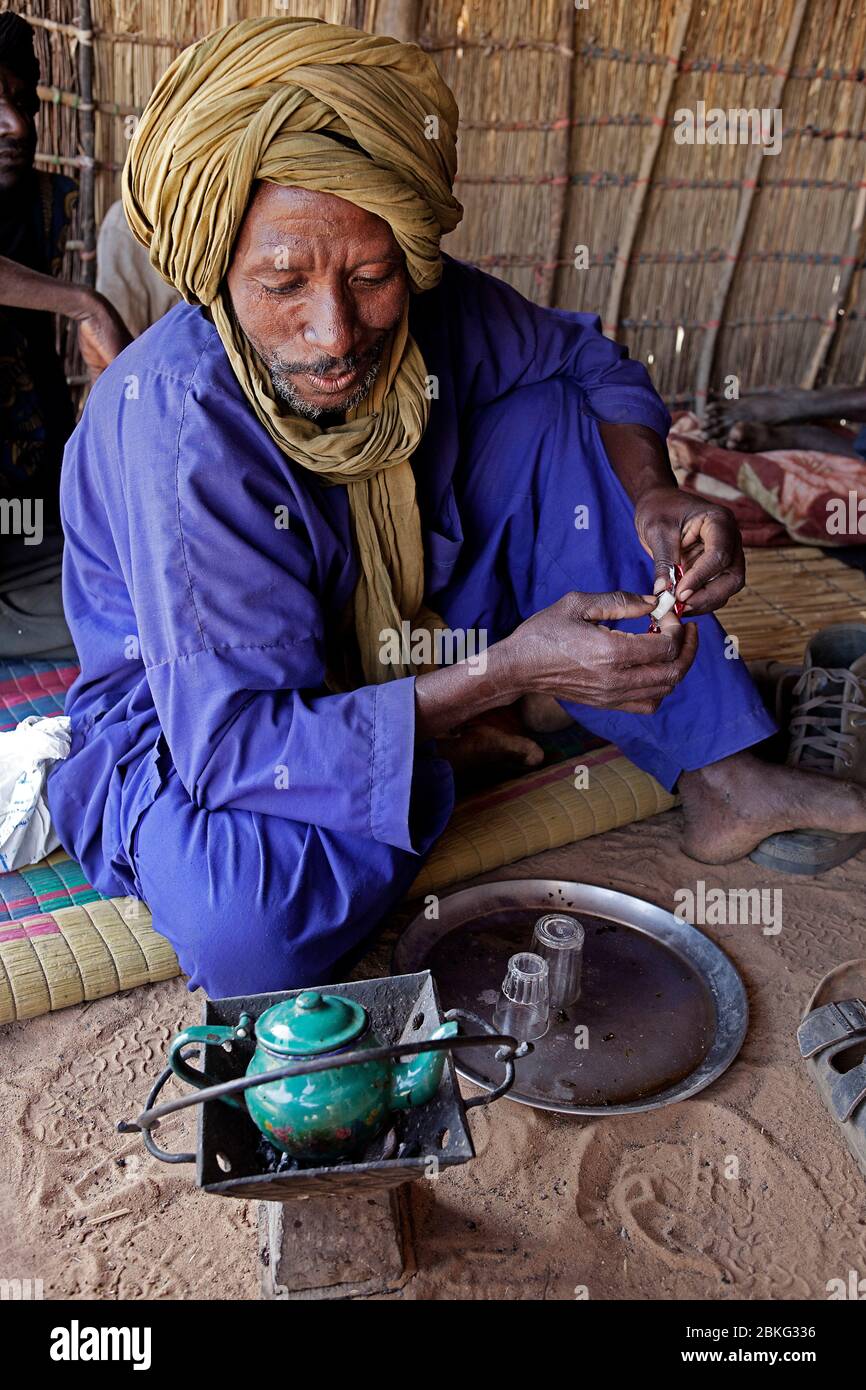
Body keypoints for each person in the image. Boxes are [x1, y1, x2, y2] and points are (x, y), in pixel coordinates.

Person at [48, 17, 866, 998]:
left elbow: (587, 361)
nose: (335, 331)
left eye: (371, 275)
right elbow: (235, 748)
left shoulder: (432, 315)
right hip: (204, 718)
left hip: (394, 627)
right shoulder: (180, 429)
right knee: (243, 927)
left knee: (547, 412)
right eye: (282, 283)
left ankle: (719, 772)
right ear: (214, 267)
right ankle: (437, 744)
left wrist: (651, 493)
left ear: (404, 254)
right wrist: (494, 676)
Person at [0, 11, 129, 659]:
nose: (17, 126)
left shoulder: (38, 211)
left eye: (25, 103)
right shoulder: (69, 293)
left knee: (146, 582)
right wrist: (83, 303)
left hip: (31, 529)